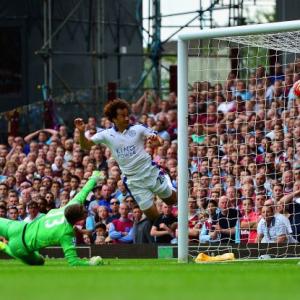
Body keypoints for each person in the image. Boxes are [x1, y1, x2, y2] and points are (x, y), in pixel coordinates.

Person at [74, 99, 177, 220]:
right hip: (134, 181)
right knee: (154, 218)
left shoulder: (138, 128)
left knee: (171, 201)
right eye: (123, 116)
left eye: (127, 114)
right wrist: (81, 132)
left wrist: (157, 142)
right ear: (114, 119)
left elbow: (159, 139)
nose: (127, 118)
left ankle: (165, 177)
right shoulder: (106, 134)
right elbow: (86, 145)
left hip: (150, 172)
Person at [0, 171, 104, 266]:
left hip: (17, 227)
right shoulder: (66, 232)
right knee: (39, 262)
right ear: (78, 219)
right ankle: (3, 246)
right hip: (20, 247)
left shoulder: (67, 207)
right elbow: (73, 262)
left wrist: (94, 177)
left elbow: (84, 191)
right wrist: (92, 263)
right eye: (84, 212)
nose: (84, 209)